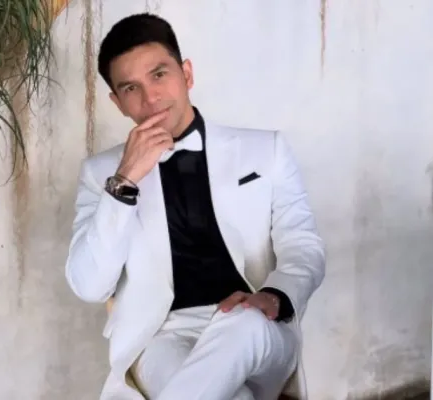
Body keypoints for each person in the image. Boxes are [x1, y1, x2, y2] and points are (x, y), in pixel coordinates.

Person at [65, 12, 325, 400]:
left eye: (159, 74)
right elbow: (89, 285)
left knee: (242, 326)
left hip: (256, 323)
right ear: (117, 102)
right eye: (131, 88)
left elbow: (304, 247)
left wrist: (274, 296)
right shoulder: (102, 173)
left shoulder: (266, 150)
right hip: (161, 336)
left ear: (186, 74)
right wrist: (125, 181)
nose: (150, 98)